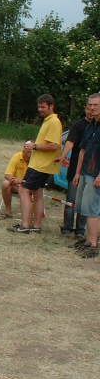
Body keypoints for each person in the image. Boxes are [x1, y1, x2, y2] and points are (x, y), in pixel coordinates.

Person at [8, 94, 62, 233]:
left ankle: (25, 225)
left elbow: (54, 146)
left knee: (24, 190)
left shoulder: (54, 122)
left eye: (43, 107)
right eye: (39, 106)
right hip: (38, 164)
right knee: (37, 193)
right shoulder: (47, 120)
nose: (40, 109)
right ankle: (36, 226)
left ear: (51, 106)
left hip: (41, 165)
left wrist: (34, 146)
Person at [57, 103, 95, 236]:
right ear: (85, 109)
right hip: (75, 169)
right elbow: (70, 142)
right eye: (88, 109)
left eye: (93, 109)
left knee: (84, 203)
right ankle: (67, 228)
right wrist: (62, 156)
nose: (91, 112)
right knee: (71, 200)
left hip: (90, 170)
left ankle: (80, 230)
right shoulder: (78, 125)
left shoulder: (96, 127)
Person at [72, 92, 100, 257]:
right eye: (90, 105)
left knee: (93, 210)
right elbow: (82, 150)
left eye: (95, 105)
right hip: (85, 173)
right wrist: (77, 173)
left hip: (96, 174)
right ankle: (89, 240)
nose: (91, 108)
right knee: (84, 208)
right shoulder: (91, 125)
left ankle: (93, 245)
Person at [0, 141, 32, 218]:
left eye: (32, 151)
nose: (30, 153)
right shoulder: (17, 156)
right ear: (24, 148)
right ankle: (8, 211)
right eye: (28, 150)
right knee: (5, 184)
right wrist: (15, 180)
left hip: (30, 187)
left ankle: (27, 217)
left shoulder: (35, 160)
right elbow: (7, 174)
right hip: (16, 185)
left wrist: (21, 181)